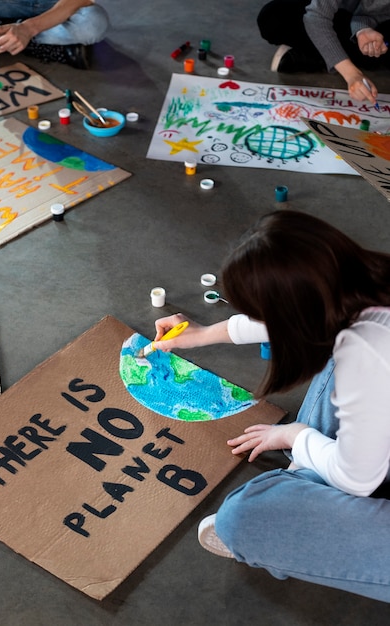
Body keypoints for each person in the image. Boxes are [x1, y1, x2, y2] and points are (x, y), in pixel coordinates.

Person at [152, 210, 390, 602]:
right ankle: (311, 489)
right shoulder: (367, 281)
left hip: (363, 476)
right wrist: (204, 334)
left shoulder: (365, 350)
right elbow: (305, 315)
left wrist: (296, 436)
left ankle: (302, 503)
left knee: (243, 520)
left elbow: (356, 480)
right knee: (334, 357)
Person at [257, 0, 390, 105]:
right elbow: (317, 16)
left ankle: (328, 54)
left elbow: (370, 12)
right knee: (272, 18)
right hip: (333, 11)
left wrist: (362, 30)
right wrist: (352, 74)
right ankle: (329, 55)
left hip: (370, 25)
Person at [0, 0, 110, 69]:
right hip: (0, 3)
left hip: (53, 5)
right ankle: (13, 39)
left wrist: (28, 28)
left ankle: (1, 38)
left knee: (93, 24)